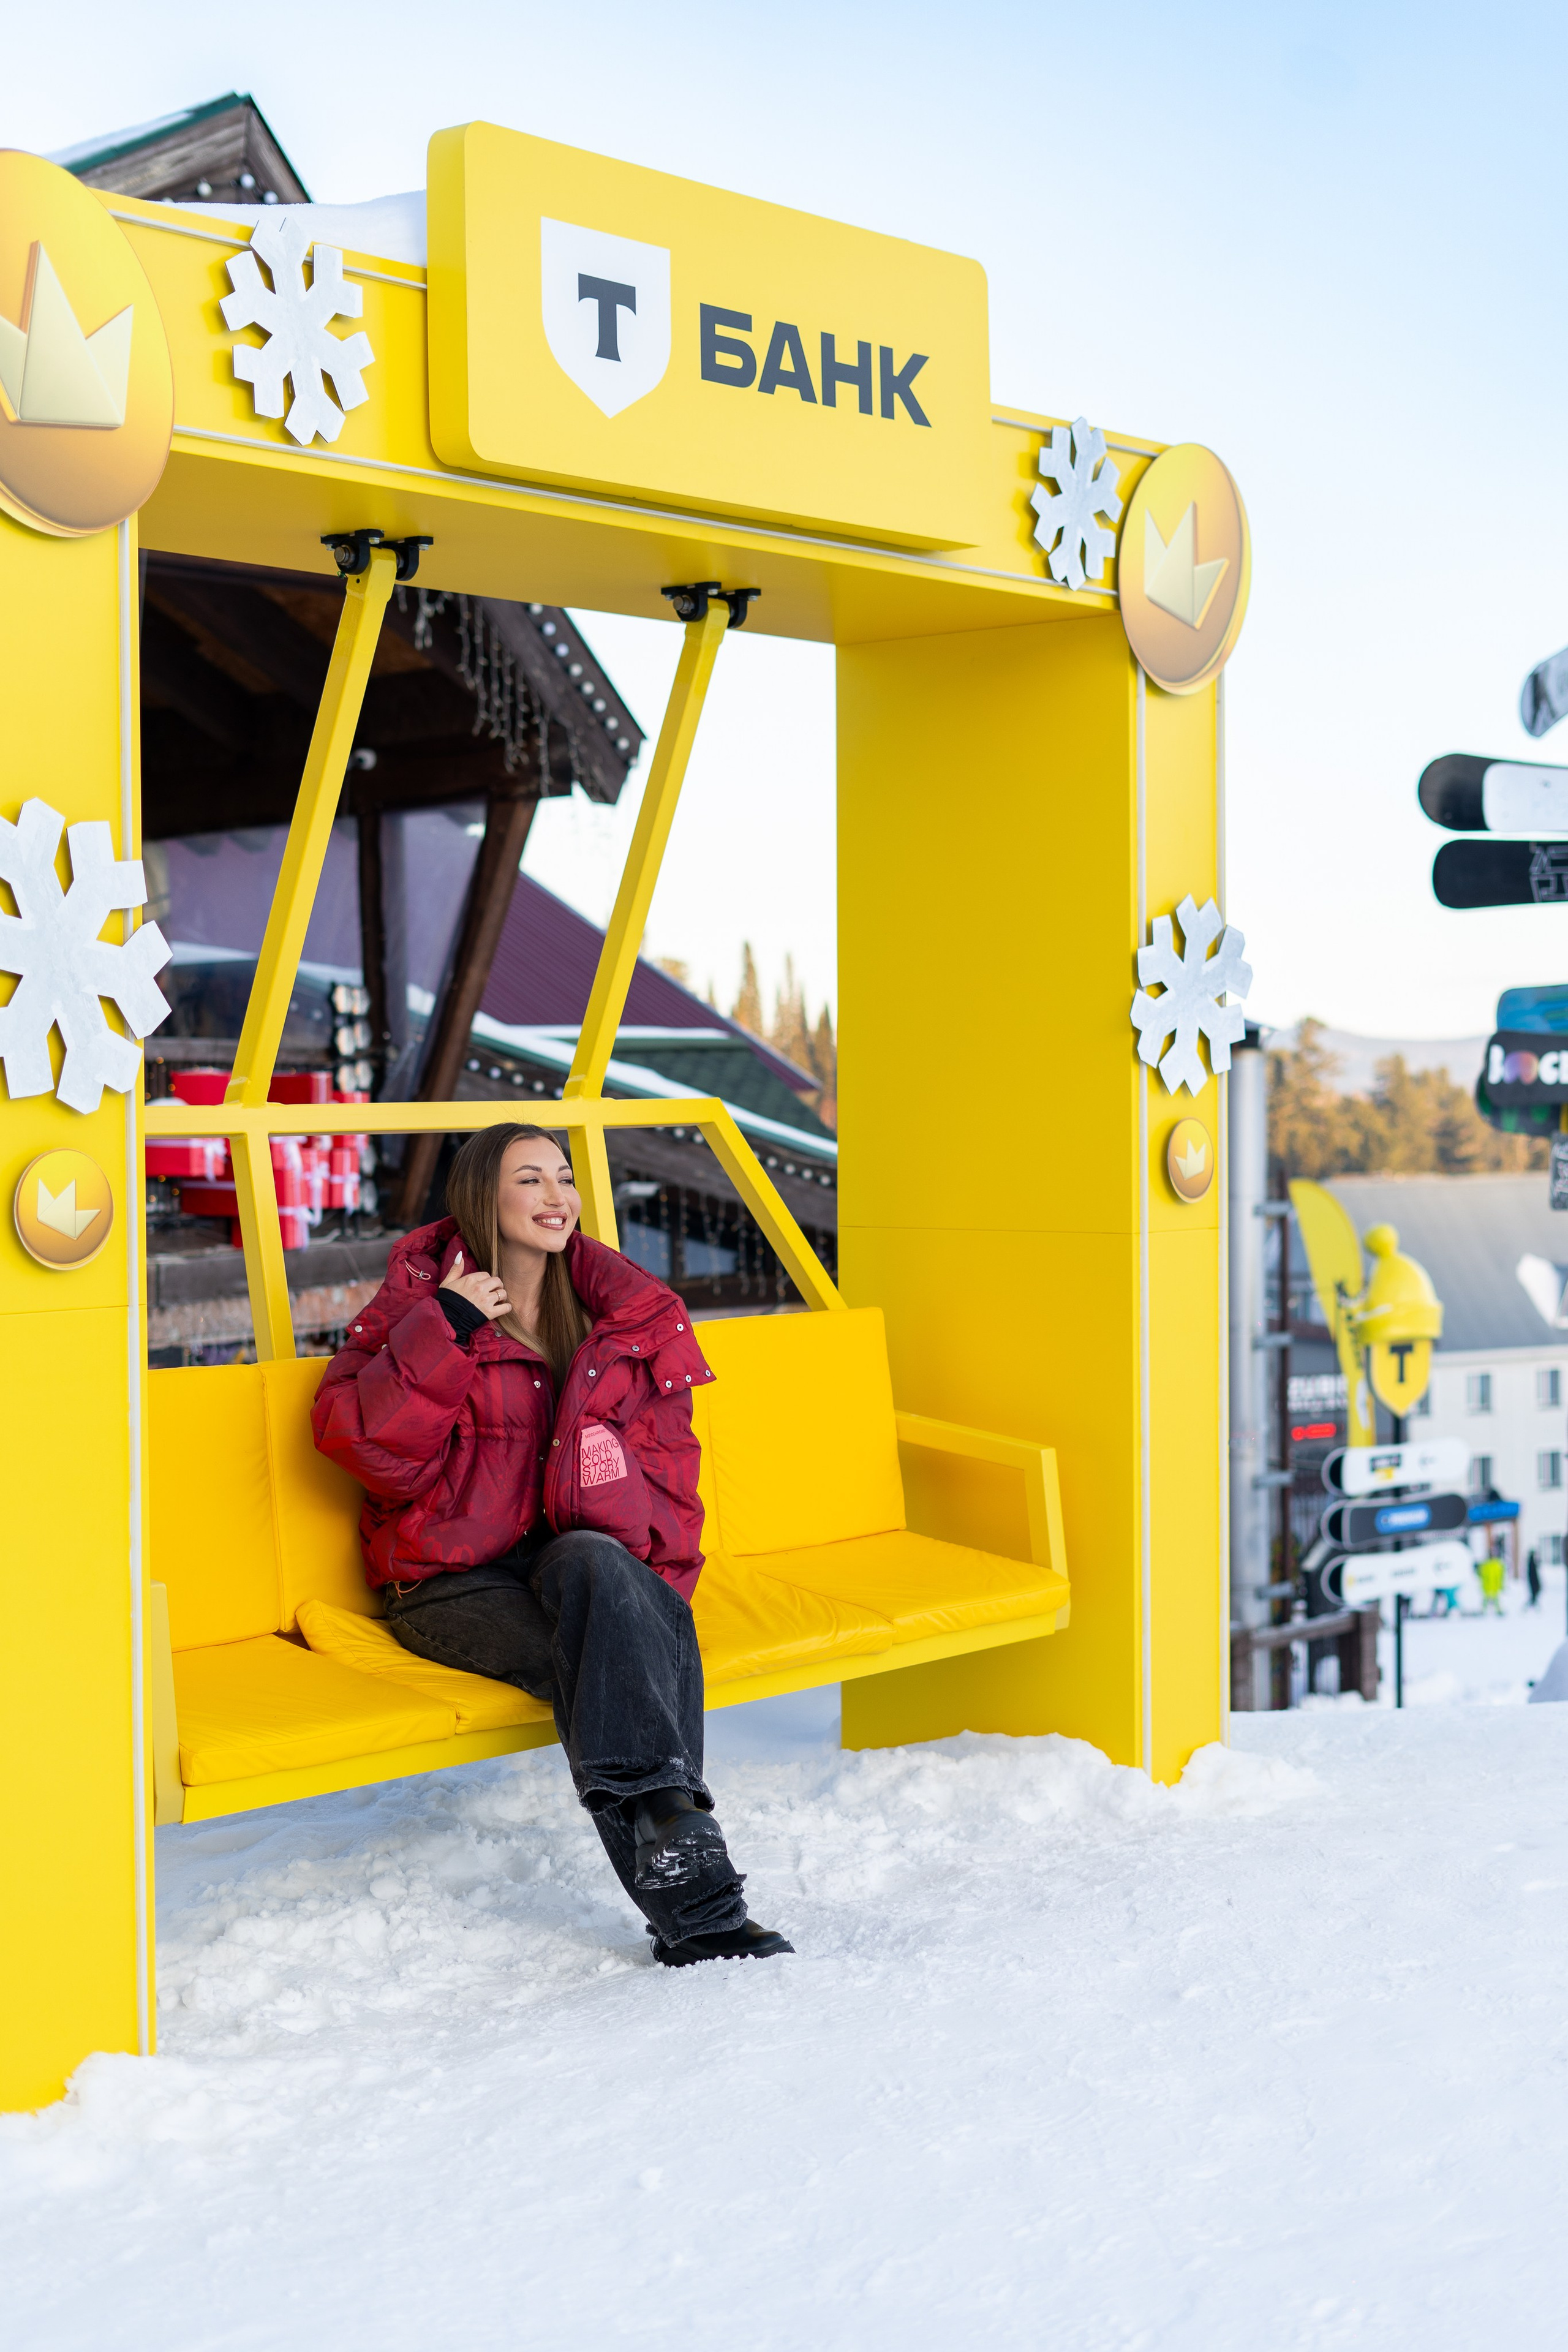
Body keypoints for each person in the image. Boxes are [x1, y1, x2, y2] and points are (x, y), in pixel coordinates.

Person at [311, 1121, 791, 1969]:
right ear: (481, 1199)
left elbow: (670, 1473)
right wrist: (447, 1327)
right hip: (451, 1584)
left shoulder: (618, 1319)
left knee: (610, 1587)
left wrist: (659, 1593)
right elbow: (371, 1450)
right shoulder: (422, 1307)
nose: (556, 1197)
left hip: (580, 1568)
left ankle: (678, 1862)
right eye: (530, 1179)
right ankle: (701, 1904)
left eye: (563, 1178)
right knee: (624, 1666)